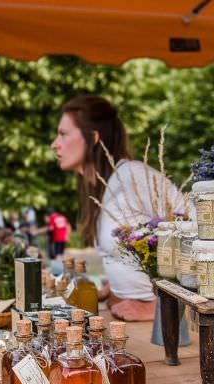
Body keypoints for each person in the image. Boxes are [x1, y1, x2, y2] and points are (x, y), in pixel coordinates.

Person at [51, 96, 188, 322]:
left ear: (93, 137)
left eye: (63, 134)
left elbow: (201, 239)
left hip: (164, 330)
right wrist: (113, 288)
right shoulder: (107, 186)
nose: (55, 143)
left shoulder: (132, 176)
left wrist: (156, 310)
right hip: (126, 321)